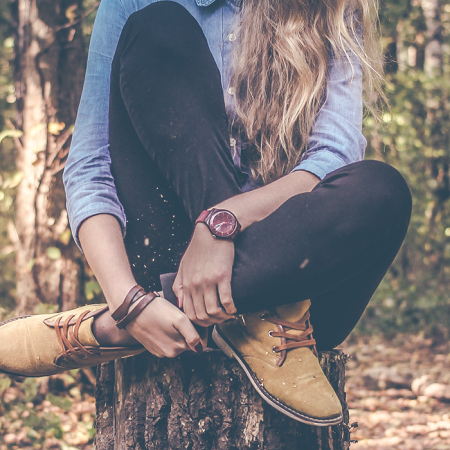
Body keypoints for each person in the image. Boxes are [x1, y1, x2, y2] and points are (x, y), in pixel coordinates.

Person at [0, 0, 412, 427]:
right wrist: (127, 298)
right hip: (175, 259)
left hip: (292, 287)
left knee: (383, 190)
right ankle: (219, 314)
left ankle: (106, 331)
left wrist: (221, 225)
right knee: (159, 27)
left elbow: (334, 155)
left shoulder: (330, 6)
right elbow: (90, 169)